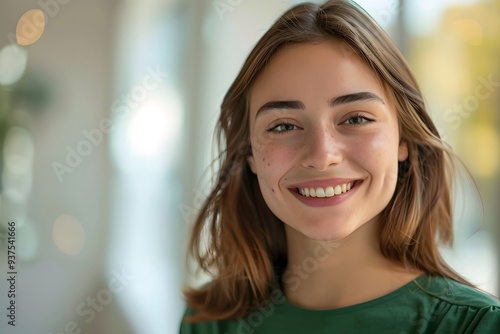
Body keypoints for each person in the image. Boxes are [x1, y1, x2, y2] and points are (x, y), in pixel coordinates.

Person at [179, 0, 500, 333]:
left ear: (403, 140)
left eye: (356, 118)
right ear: (250, 154)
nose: (322, 155)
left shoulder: (476, 325)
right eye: (284, 126)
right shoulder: (209, 322)